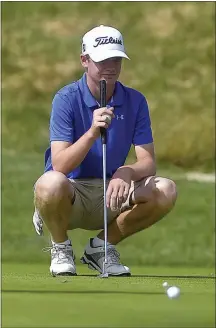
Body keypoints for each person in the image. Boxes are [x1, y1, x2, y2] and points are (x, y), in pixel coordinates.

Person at [33, 25, 177, 277]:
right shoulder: (66, 98)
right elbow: (60, 166)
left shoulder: (135, 101)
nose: (110, 66)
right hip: (71, 193)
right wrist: (91, 133)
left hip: (112, 190)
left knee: (165, 189)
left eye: (116, 59)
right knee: (49, 183)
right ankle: (61, 247)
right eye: (102, 60)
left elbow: (148, 162)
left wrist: (126, 172)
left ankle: (101, 248)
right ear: (84, 60)